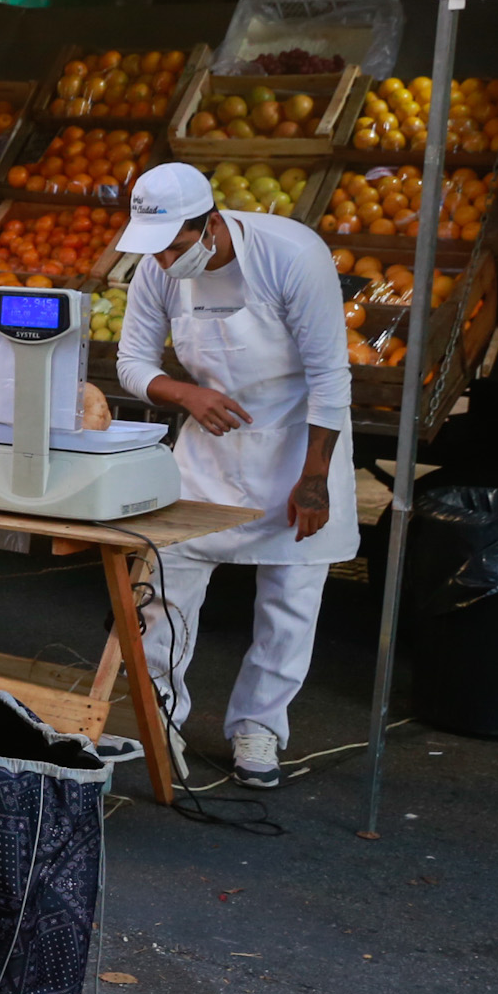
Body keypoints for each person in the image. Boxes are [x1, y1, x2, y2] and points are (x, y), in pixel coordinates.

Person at [112, 160, 358, 787]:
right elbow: (132, 362)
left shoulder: (293, 256)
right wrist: (182, 393)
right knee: (168, 585)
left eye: (176, 247)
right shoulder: (155, 269)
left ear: (212, 224)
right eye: (155, 251)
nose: (165, 262)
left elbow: (331, 376)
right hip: (209, 450)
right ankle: (158, 713)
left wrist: (315, 479)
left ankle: (260, 728)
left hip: (301, 442)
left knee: (292, 598)